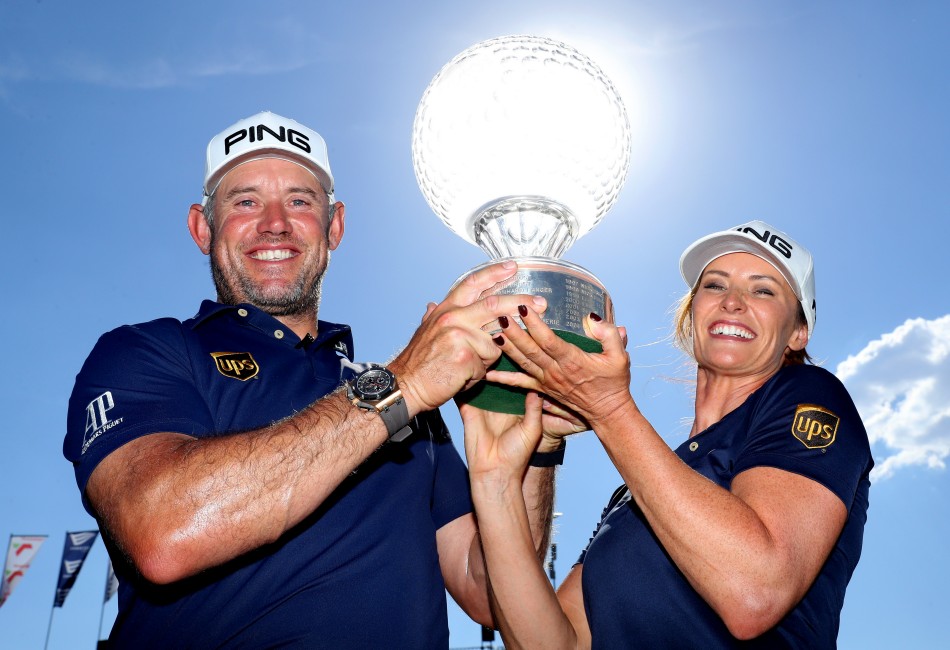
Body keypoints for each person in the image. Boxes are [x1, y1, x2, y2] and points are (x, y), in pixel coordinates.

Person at [64, 110, 566, 648]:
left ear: (335, 226)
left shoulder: (409, 405)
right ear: (202, 227)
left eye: (301, 201)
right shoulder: (147, 351)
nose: (275, 222)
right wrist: (400, 386)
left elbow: (490, 595)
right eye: (245, 201)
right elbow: (163, 533)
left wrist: (534, 444)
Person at [463, 221, 873, 648]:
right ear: (692, 313)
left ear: (797, 332)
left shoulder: (811, 393)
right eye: (714, 286)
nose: (732, 302)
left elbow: (755, 592)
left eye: (763, 290)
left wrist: (609, 408)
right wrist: (496, 479)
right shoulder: (632, 495)